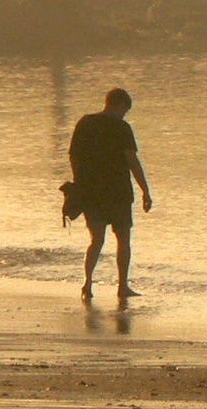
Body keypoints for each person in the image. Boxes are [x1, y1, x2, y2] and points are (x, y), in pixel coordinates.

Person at [67, 87, 152, 303]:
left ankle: (87, 284)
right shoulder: (122, 128)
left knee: (96, 240)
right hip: (118, 192)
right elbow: (132, 161)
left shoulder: (85, 123)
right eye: (125, 110)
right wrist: (145, 190)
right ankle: (122, 286)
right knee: (123, 239)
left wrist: (79, 182)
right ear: (119, 104)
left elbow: (73, 155)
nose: (125, 115)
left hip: (91, 192)